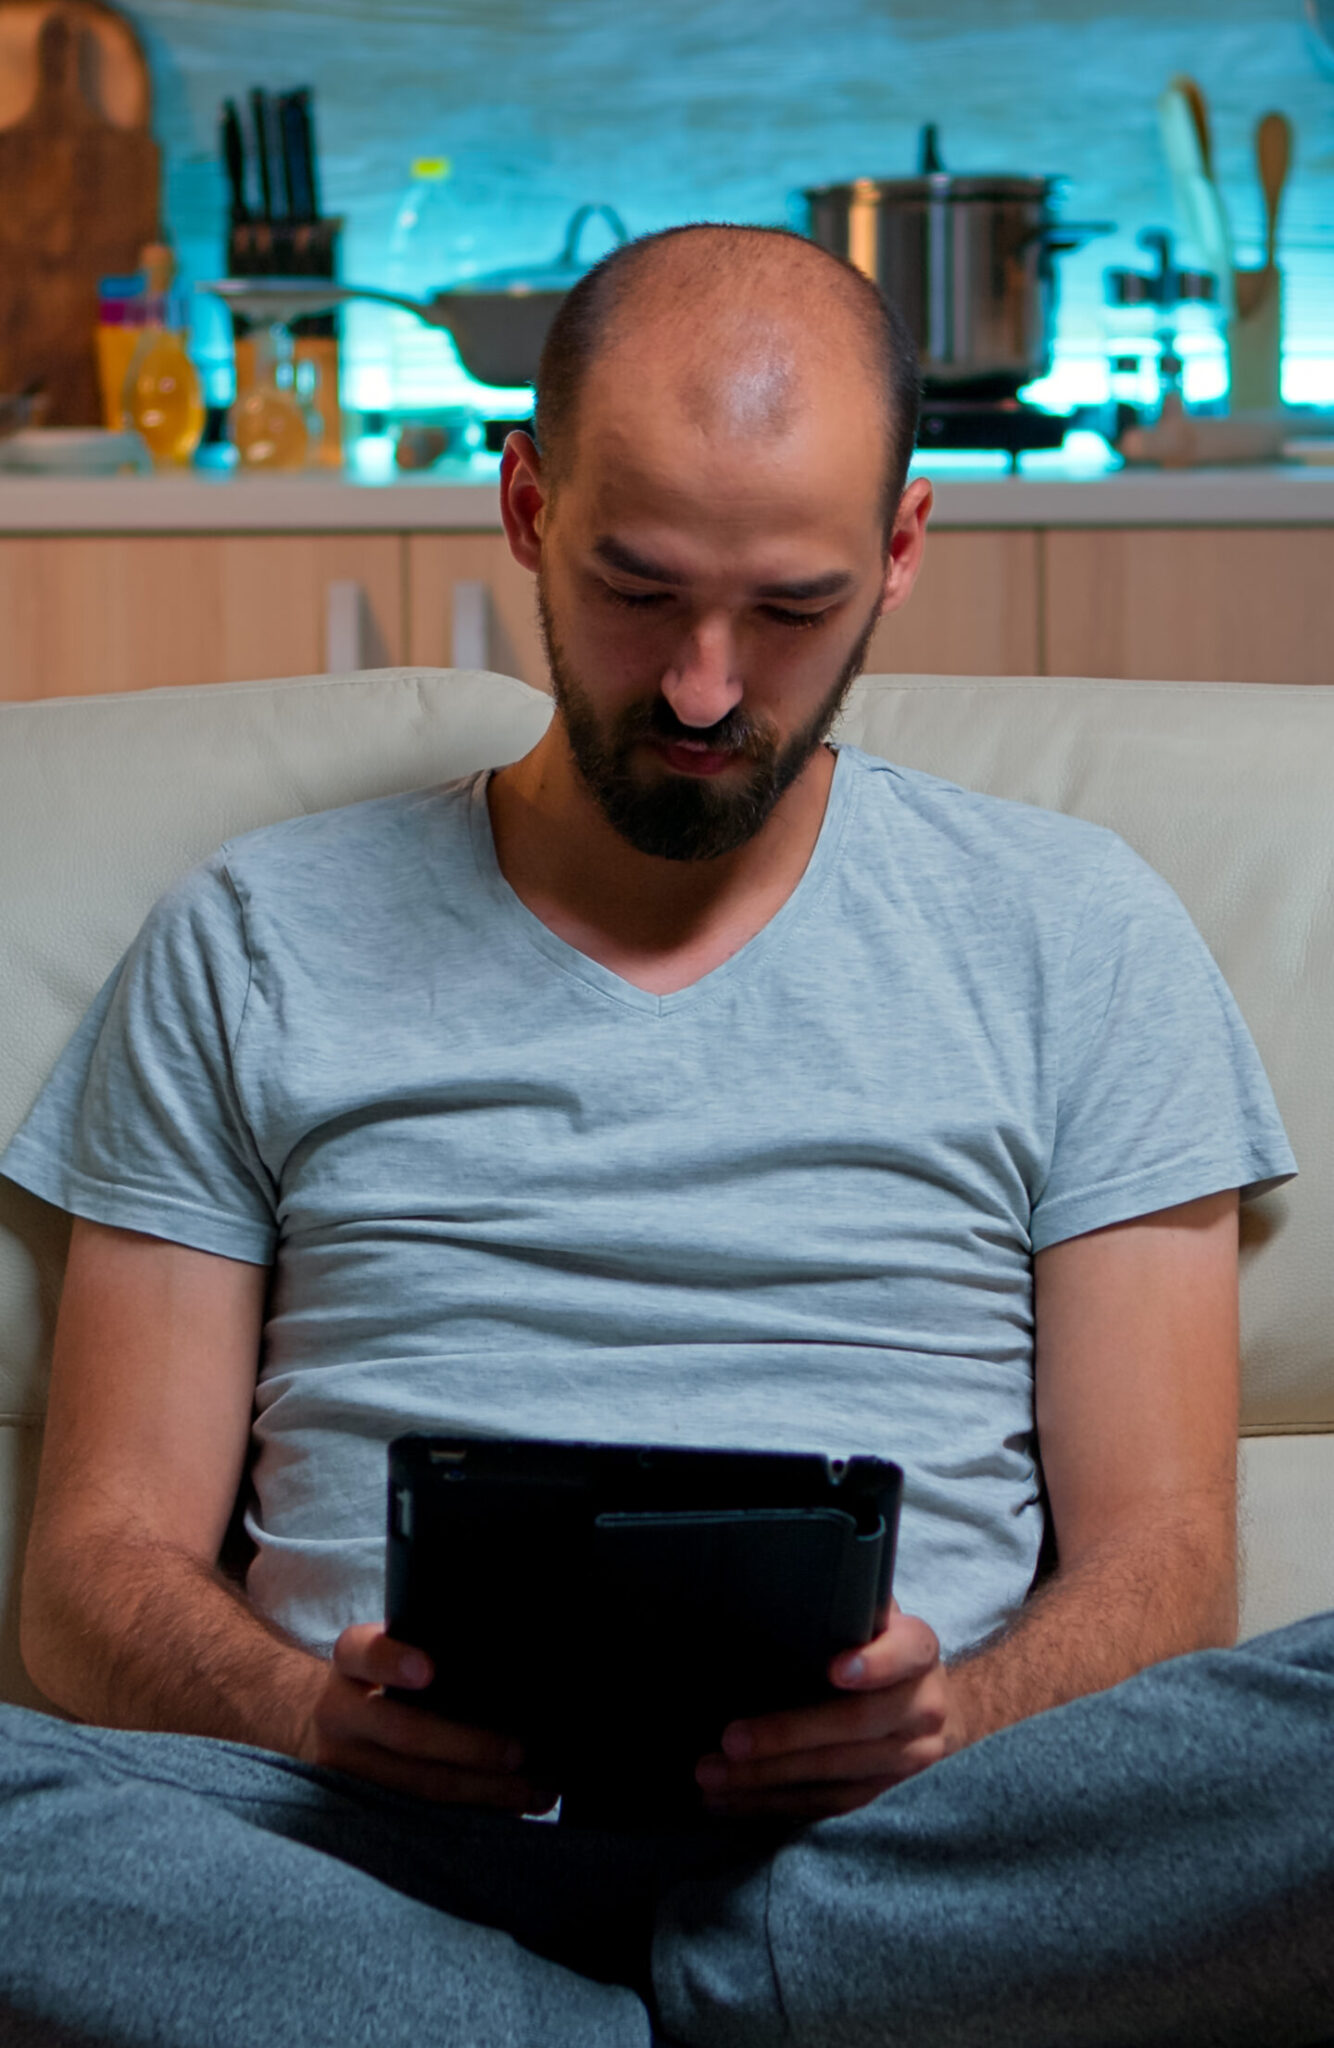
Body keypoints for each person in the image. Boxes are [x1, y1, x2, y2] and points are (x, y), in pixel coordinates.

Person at [1, 225, 1327, 2048]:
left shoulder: (1072, 930)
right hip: (358, 1852)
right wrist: (311, 1716)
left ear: (901, 550)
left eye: (788, 611)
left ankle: (629, 1998)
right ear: (526, 507)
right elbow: (93, 1580)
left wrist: (948, 1720)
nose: (704, 689)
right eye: (638, 593)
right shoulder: (254, 934)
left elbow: (1163, 1563)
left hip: (910, 1849)